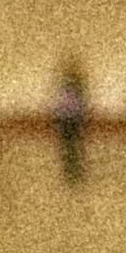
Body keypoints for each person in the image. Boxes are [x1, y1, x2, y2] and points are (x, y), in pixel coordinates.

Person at [48, 55, 90, 185]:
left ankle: (74, 171)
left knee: (72, 146)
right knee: (71, 146)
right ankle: (72, 171)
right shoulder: (74, 87)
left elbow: (73, 104)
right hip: (70, 119)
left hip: (70, 119)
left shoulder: (73, 87)